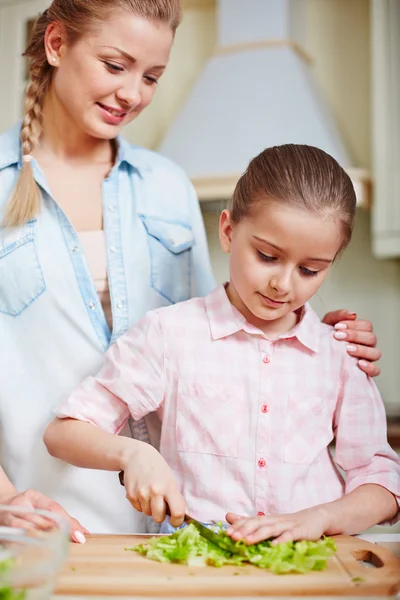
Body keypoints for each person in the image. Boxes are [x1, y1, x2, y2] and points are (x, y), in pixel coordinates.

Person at [0, 0, 381, 537]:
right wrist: (8, 499)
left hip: (175, 526)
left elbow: (223, 336)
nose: (133, 93)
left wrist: (316, 335)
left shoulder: (168, 186)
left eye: (152, 76)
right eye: (115, 66)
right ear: (57, 44)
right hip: (41, 515)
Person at [44, 144, 400, 542]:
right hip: (197, 572)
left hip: (314, 574)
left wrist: (322, 517)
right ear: (229, 231)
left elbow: (383, 482)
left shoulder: (339, 353)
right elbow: (64, 432)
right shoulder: (168, 335)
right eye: (267, 256)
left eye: (309, 269)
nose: (283, 284)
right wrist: (134, 453)